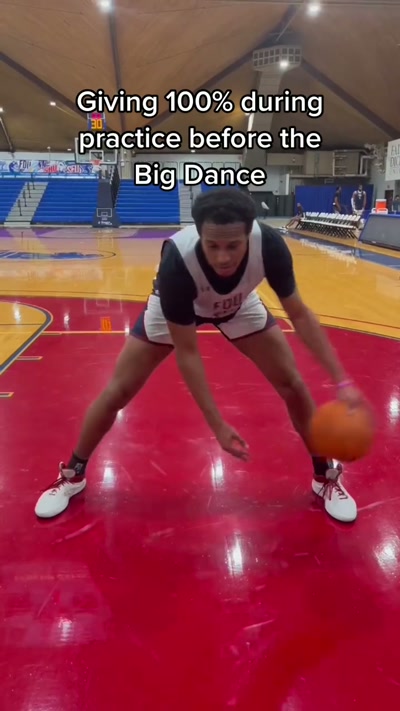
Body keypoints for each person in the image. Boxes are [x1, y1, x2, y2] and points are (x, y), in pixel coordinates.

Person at [35, 188, 365, 523]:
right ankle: (73, 474)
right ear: (199, 234)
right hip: (179, 308)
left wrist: (342, 381)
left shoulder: (269, 246)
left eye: (233, 246)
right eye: (213, 246)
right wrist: (216, 424)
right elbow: (188, 353)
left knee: (293, 384)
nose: (223, 258)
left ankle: (324, 476)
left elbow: (300, 315)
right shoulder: (177, 262)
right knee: (117, 391)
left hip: (238, 304)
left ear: (249, 234)